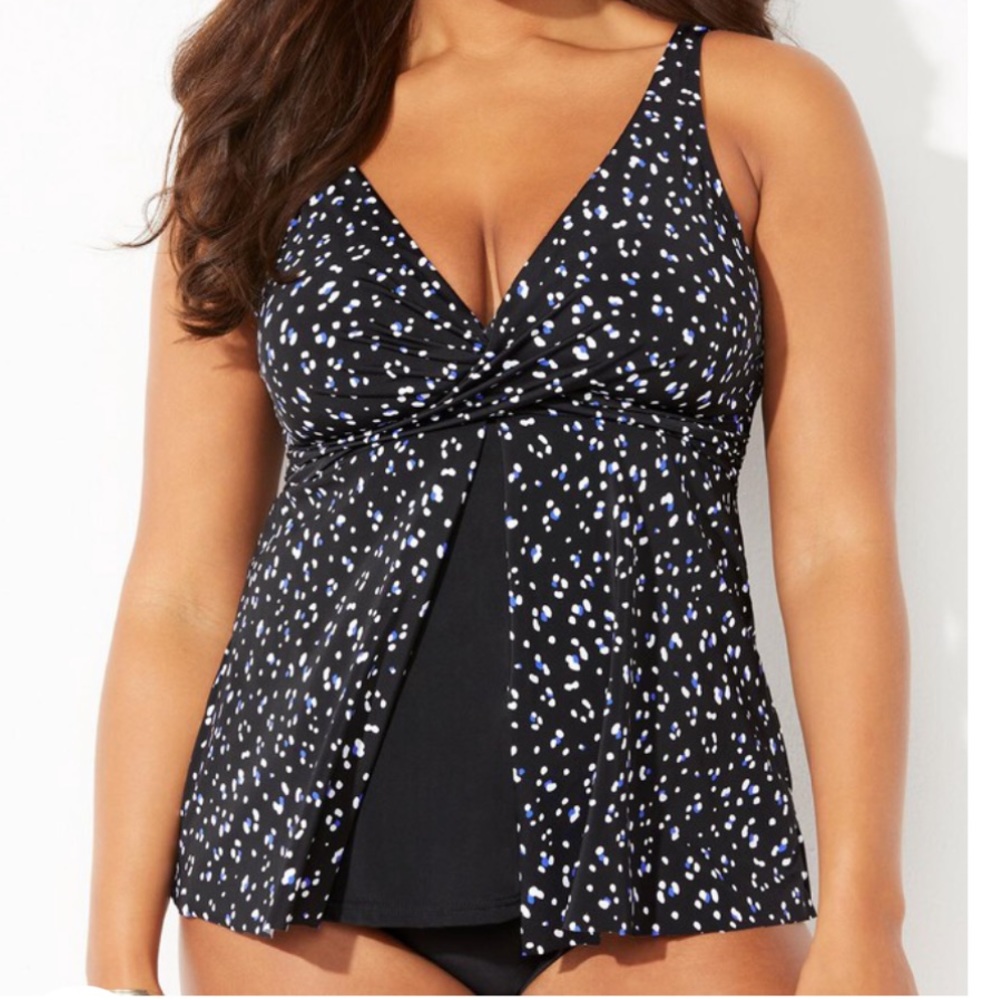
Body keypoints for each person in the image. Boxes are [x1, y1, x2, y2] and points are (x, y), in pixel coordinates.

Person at [86, 0, 919, 994]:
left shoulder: (760, 105)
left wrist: (867, 917)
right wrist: (116, 951)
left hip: (673, 844)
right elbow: (181, 586)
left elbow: (836, 543)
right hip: (286, 873)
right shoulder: (268, 122)